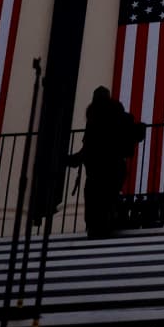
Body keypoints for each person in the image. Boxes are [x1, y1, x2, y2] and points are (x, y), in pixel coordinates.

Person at [68, 86, 143, 238]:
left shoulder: (94, 119)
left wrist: (75, 159)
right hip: (114, 168)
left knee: (94, 197)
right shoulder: (119, 117)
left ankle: (98, 227)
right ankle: (108, 223)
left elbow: (87, 147)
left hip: (97, 170)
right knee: (107, 197)